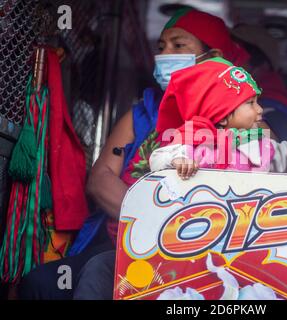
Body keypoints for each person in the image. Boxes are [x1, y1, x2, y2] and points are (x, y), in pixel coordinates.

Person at [18, 8, 249, 300]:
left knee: (98, 276)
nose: (166, 55)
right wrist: (153, 219)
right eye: (161, 47)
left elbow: (260, 179)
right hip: (128, 240)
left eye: (179, 46)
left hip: (207, 249)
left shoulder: (242, 118)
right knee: (41, 283)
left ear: (213, 58)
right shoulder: (141, 113)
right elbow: (101, 180)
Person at [149, 57, 287, 179]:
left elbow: (286, 156)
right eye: (250, 103)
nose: (260, 110)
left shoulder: (255, 143)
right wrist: (178, 162)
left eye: (257, 102)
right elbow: (158, 159)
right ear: (221, 116)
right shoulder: (192, 141)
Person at [232, 24, 287, 141]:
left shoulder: (271, 108)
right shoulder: (280, 99)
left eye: (236, 56)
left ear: (261, 65)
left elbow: (276, 155)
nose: (228, 64)